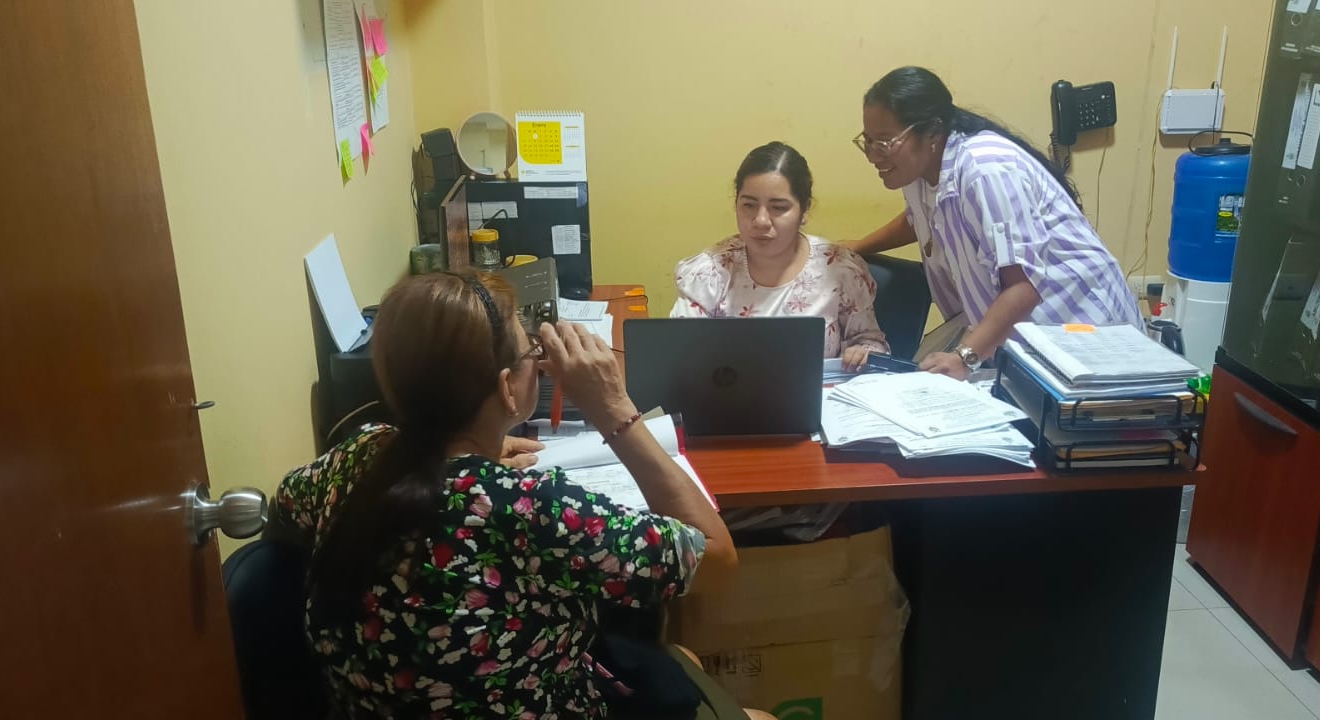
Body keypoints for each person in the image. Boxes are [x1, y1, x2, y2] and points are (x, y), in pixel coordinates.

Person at [267, 271, 773, 720]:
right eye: (531, 350)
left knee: (678, 661)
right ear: (508, 388)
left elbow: (285, 504)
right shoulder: (529, 510)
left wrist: (471, 462)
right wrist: (615, 410)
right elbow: (716, 560)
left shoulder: (353, 458)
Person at [846, 66, 1141, 380]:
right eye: (868, 142)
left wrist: (965, 357)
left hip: (1082, 332)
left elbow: (1024, 286)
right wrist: (857, 247)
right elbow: (921, 219)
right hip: (1023, 341)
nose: (873, 156)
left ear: (932, 131)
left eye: (885, 142)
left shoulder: (985, 169)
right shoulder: (919, 172)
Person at [673, 141, 889, 371]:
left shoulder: (838, 269)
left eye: (778, 208)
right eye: (749, 205)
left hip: (819, 392)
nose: (761, 221)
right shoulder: (710, 272)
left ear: (804, 210)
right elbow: (680, 351)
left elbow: (871, 343)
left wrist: (862, 353)